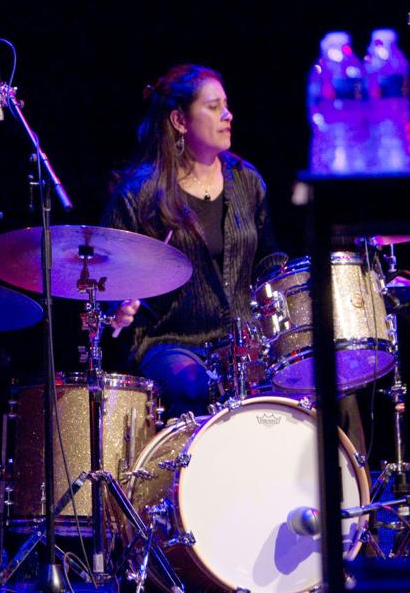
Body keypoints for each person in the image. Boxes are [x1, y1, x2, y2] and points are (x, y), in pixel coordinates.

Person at [102, 64, 285, 417]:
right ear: (180, 121)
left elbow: (269, 258)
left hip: (242, 342)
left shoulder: (247, 180)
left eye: (226, 105)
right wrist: (118, 307)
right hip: (170, 342)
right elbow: (107, 280)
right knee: (193, 387)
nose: (228, 115)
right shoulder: (140, 193)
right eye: (214, 107)